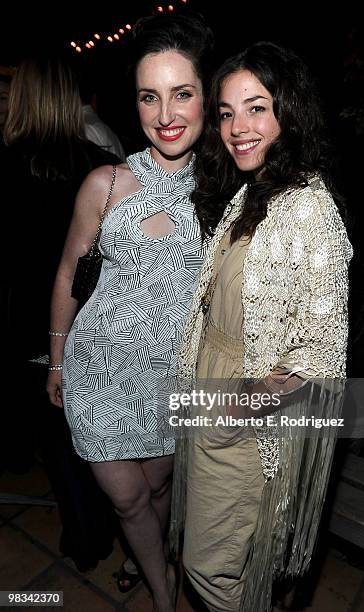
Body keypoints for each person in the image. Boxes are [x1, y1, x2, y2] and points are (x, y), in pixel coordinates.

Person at [170, 41, 353, 612]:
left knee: (213, 567)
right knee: (219, 560)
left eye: (256, 107)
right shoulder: (254, 191)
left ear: (287, 113)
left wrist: (236, 414)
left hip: (248, 421)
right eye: (226, 112)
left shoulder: (309, 207)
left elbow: (320, 350)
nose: (237, 127)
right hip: (211, 394)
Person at [47, 13, 213, 612]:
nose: (166, 114)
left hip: (172, 377)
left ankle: (150, 555)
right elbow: (69, 272)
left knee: (161, 484)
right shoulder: (106, 184)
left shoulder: (225, 194)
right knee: (126, 498)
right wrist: (57, 359)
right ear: (135, 104)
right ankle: (162, 592)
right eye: (150, 97)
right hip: (98, 374)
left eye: (182, 94)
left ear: (206, 99)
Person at [1, 55, 121, 568]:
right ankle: (103, 529)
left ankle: (86, 540)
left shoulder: (6, 163)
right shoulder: (99, 163)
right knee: (89, 437)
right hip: (92, 321)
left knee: (58, 442)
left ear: (25, 97)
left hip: (29, 323)